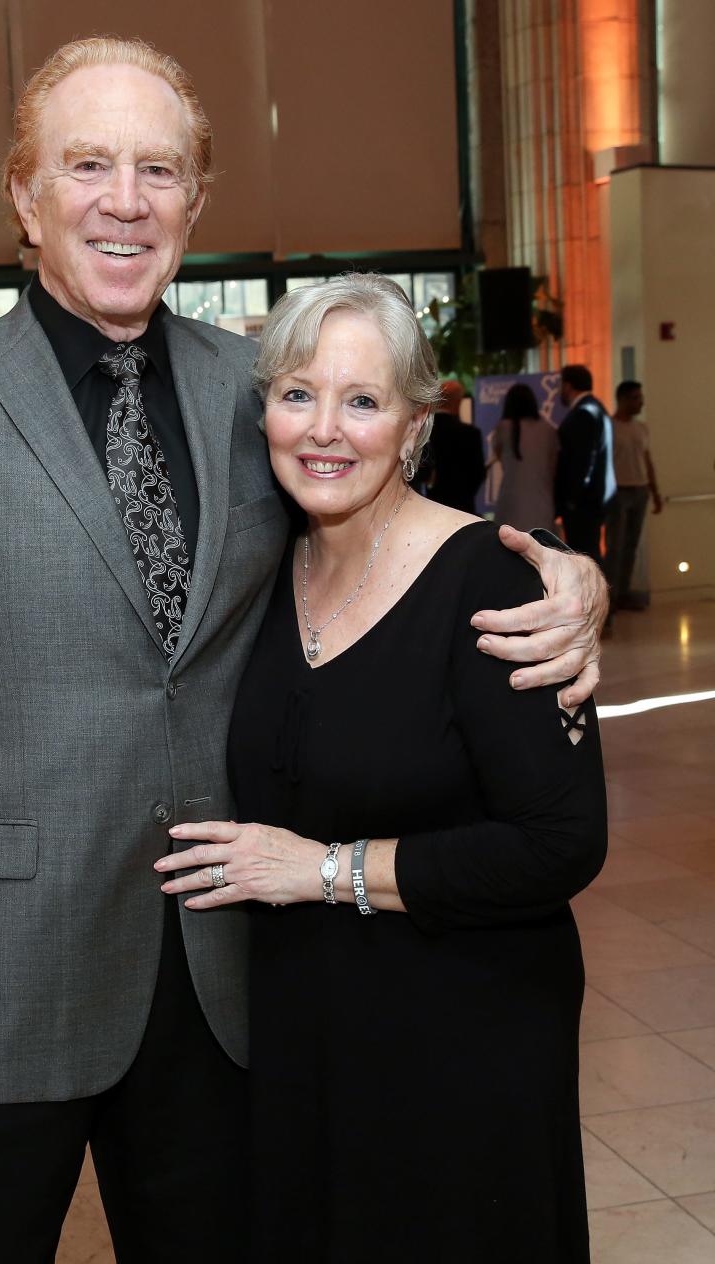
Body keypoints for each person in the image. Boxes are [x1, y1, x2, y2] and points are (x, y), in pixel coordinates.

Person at [0, 37, 607, 1264]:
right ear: (24, 195)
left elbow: (388, 509)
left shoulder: (260, 391)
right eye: (87, 165)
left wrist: (562, 567)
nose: (124, 201)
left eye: (159, 170)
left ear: (196, 199)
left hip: (223, 969)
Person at [158, 275, 607, 1263]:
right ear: (264, 410)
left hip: (464, 1029)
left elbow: (561, 842)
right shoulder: (264, 570)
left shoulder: (490, 580)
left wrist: (325, 869)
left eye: (362, 401)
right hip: (309, 1033)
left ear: (414, 424)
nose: (326, 428)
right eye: (298, 394)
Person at [605, 380, 662, 612]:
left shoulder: (642, 428)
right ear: (623, 399)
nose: (641, 402)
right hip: (618, 491)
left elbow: (647, 460)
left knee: (631, 545)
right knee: (615, 546)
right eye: (636, 398)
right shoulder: (609, 426)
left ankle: (624, 593)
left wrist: (655, 490)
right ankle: (609, 597)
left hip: (640, 489)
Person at [555, 363, 616, 559]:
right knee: (590, 552)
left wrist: (572, 497)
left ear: (568, 385)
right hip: (595, 498)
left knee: (584, 555)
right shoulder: (598, 409)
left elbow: (582, 459)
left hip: (582, 502)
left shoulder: (582, 414)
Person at [491, 381, 559, 532]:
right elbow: (553, 467)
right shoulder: (548, 429)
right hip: (542, 501)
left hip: (511, 500)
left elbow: (500, 458)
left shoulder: (503, 428)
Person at [417, 377, 486, 512]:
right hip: (464, 507)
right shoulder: (471, 434)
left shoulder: (423, 432)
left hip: (431, 506)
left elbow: (421, 472)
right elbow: (478, 473)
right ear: (459, 402)